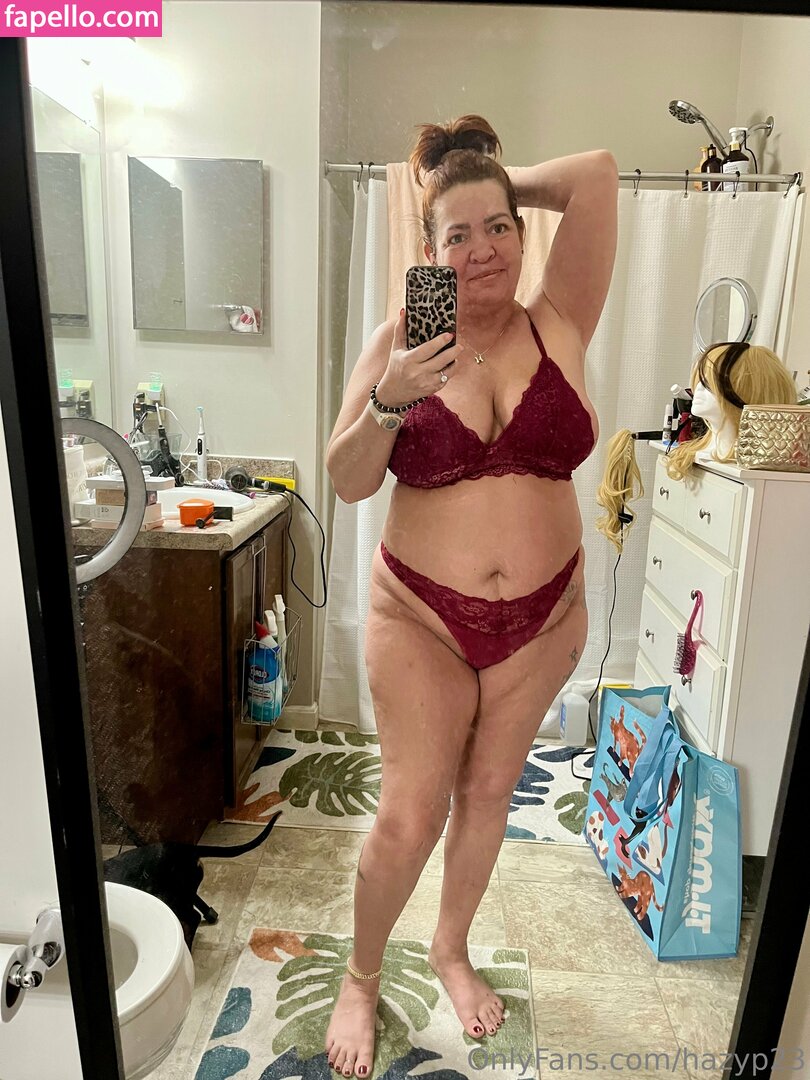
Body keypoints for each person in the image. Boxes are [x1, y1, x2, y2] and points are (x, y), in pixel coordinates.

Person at [324, 115, 618, 1079]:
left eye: (499, 228)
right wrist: (391, 397)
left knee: (490, 793)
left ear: (524, 236)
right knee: (410, 814)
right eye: (457, 236)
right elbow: (347, 481)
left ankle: (450, 950)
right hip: (422, 617)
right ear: (428, 254)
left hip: (544, 618)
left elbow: (596, 173)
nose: (483, 249)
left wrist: (479, 178)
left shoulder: (558, 318)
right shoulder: (400, 342)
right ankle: (361, 977)